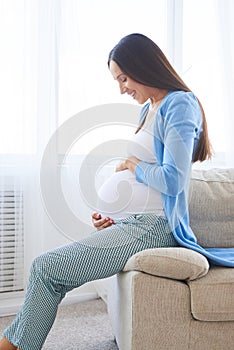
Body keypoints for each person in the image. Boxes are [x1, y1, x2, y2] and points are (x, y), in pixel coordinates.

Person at [1, 33, 233, 350]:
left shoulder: (180, 104)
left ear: (144, 66)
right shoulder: (148, 109)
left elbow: (173, 181)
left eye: (123, 78)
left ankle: (13, 345)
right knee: (49, 271)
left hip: (155, 226)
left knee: (46, 268)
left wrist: (135, 166)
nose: (122, 88)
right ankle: (16, 343)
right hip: (134, 224)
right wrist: (113, 216)